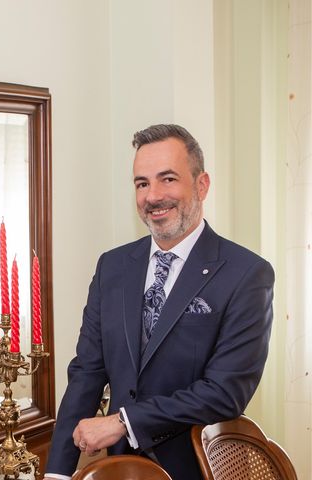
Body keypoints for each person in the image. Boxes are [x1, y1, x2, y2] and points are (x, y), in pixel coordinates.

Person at [44, 124, 274, 480]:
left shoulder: (247, 274)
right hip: (116, 469)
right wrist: (57, 472)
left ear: (202, 185)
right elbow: (87, 371)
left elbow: (225, 393)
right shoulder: (113, 266)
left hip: (197, 468)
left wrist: (125, 422)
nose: (153, 196)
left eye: (168, 179)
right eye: (142, 183)